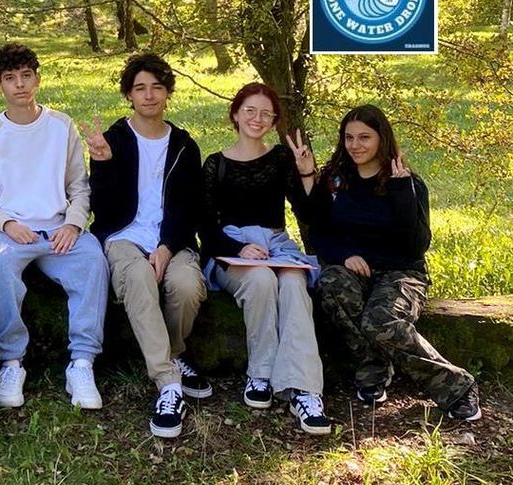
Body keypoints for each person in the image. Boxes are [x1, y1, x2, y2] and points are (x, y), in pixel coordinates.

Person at [0, 42, 109, 410]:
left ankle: (82, 362)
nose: (20, 85)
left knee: (93, 261)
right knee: (0, 268)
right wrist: (6, 223)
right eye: (10, 79)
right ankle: (11, 362)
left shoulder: (61, 126)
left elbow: (79, 186)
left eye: (26, 76)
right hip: (10, 233)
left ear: (38, 79)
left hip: (58, 229)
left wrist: (74, 224)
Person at [310, 104, 480, 421]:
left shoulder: (406, 182)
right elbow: (319, 233)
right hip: (353, 270)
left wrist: (402, 193)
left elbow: (415, 245)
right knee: (330, 285)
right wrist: (345, 255)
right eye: (349, 137)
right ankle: (375, 368)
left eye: (365, 137)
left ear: (382, 139)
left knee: (379, 320)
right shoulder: (335, 181)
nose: (355, 145)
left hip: (402, 273)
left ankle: (456, 386)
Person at [83, 52, 209, 438]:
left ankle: (171, 350)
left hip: (172, 238)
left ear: (168, 92)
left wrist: (169, 247)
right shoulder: (116, 139)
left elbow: (190, 208)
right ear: (129, 95)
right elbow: (103, 213)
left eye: (157, 87)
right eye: (140, 88)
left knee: (187, 286)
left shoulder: (186, 147)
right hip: (123, 236)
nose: (149, 95)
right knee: (138, 277)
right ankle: (169, 382)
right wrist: (102, 164)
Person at [201, 83, 333, 435]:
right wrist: (237, 249)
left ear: (274, 121)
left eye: (266, 114)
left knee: (292, 284)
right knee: (260, 280)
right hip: (234, 249)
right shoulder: (216, 164)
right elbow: (205, 226)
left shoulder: (279, 159)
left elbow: (310, 213)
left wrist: (307, 173)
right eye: (250, 111)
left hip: (277, 245)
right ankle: (260, 374)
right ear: (235, 114)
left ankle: (304, 390)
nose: (257, 119)